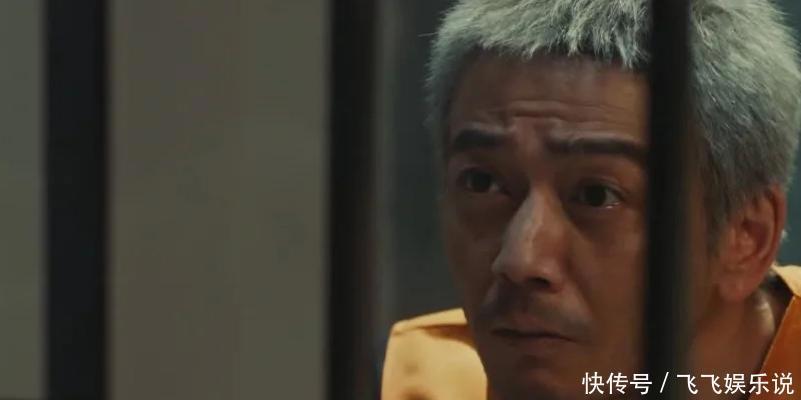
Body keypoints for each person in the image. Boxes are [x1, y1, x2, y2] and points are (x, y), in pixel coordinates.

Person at [381, 0, 801, 399]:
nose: (521, 260)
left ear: (747, 238)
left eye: (596, 196)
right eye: (482, 182)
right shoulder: (410, 383)